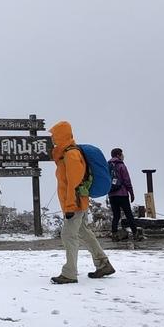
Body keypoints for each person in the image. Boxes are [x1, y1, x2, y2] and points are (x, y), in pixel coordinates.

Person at [48, 120, 114, 283]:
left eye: (54, 135)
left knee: (68, 235)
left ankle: (69, 273)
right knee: (83, 232)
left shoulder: (71, 155)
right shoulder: (65, 154)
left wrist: (70, 206)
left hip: (75, 203)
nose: (52, 139)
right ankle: (103, 264)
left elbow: (74, 183)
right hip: (75, 202)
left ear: (61, 135)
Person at [107, 148, 138, 240]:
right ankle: (135, 234)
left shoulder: (107, 166)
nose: (123, 156)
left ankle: (114, 235)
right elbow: (127, 180)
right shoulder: (121, 166)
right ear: (118, 155)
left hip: (112, 194)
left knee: (116, 215)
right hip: (122, 194)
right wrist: (131, 193)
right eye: (122, 154)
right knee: (129, 214)